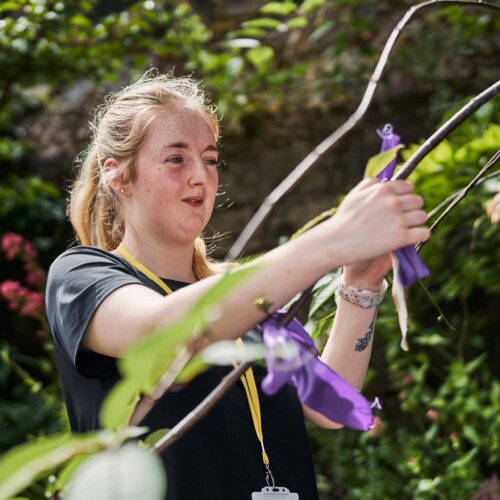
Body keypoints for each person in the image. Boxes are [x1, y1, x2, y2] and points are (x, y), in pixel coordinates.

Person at [45, 69, 430, 500]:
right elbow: (159, 330)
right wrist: (333, 239)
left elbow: (333, 406)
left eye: (209, 160)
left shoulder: (241, 294)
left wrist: (361, 282)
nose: (200, 176)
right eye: (176, 158)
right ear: (118, 175)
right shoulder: (81, 275)